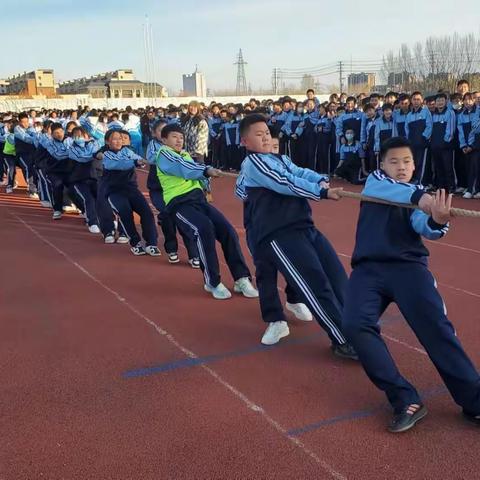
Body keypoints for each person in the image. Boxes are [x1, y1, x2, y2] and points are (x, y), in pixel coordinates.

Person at [343, 136, 480, 433]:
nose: (401, 166)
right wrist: (424, 199)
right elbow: (392, 190)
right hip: (368, 269)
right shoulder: (376, 183)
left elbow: (426, 228)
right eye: (394, 161)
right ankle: (403, 397)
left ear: (415, 165)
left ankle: (474, 400)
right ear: (382, 165)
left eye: (407, 161)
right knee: (354, 324)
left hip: (408, 268)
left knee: (436, 328)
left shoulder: (417, 195)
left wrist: (438, 219)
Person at [237, 113, 357, 358]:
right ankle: (343, 340)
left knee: (336, 276)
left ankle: (357, 330)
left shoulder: (280, 159)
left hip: (304, 226)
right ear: (245, 142)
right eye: (258, 135)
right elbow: (285, 182)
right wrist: (320, 192)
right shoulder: (253, 163)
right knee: (315, 285)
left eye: (267, 134)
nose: (265, 139)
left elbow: (299, 173)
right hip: (278, 234)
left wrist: (321, 180)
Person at [156, 123, 257, 300]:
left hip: (198, 201)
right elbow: (185, 169)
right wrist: (206, 170)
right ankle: (212, 282)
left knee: (228, 232)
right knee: (203, 230)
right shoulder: (164, 154)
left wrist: (207, 182)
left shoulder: (185, 154)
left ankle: (241, 278)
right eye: (174, 137)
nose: (179, 140)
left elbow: (196, 173)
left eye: (181, 137)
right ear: (164, 139)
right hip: (179, 204)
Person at [146, 120, 199, 266]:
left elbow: (192, 169)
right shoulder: (157, 148)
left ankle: (194, 254)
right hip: (159, 190)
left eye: (180, 137)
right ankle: (172, 249)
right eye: (163, 131)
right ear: (160, 136)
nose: (177, 140)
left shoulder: (182, 152)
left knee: (185, 220)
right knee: (167, 216)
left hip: (178, 193)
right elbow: (151, 158)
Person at [102, 130, 160, 256]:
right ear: (107, 141)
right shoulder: (106, 155)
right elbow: (118, 164)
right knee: (125, 213)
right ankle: (135, 243)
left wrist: (142, 161)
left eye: (121, 138)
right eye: (115, 139)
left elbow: (139, 160)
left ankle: (151, 243)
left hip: (132, 190)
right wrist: (135, 162)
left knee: (147, 213)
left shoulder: (128, 151)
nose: (119, 141)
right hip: (114, 192)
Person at [431, 93, 456, 193]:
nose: (440, 103)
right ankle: (441, 187)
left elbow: (450, 130)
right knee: (438, 167)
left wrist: (445, 142)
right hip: (435, 146)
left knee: (448, 167)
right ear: (435, 103)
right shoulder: (433, 114)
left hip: (446, 146)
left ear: (446, 101)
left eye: (442, 100)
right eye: (438, 101)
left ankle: (451, 187)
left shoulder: (450, 113)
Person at [405, 92, 433, 184]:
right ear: (411, 101)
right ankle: (414, 180)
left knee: (422, 163)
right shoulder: (409, 115)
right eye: (414, 99)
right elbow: (407, 129)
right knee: (413, 163)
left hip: (422, 143)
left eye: (418, 99)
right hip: (412, 143)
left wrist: (424, 137)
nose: (416, 101)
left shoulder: (426, 112)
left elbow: (429, 126)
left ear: (421, 101)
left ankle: (421, 182)